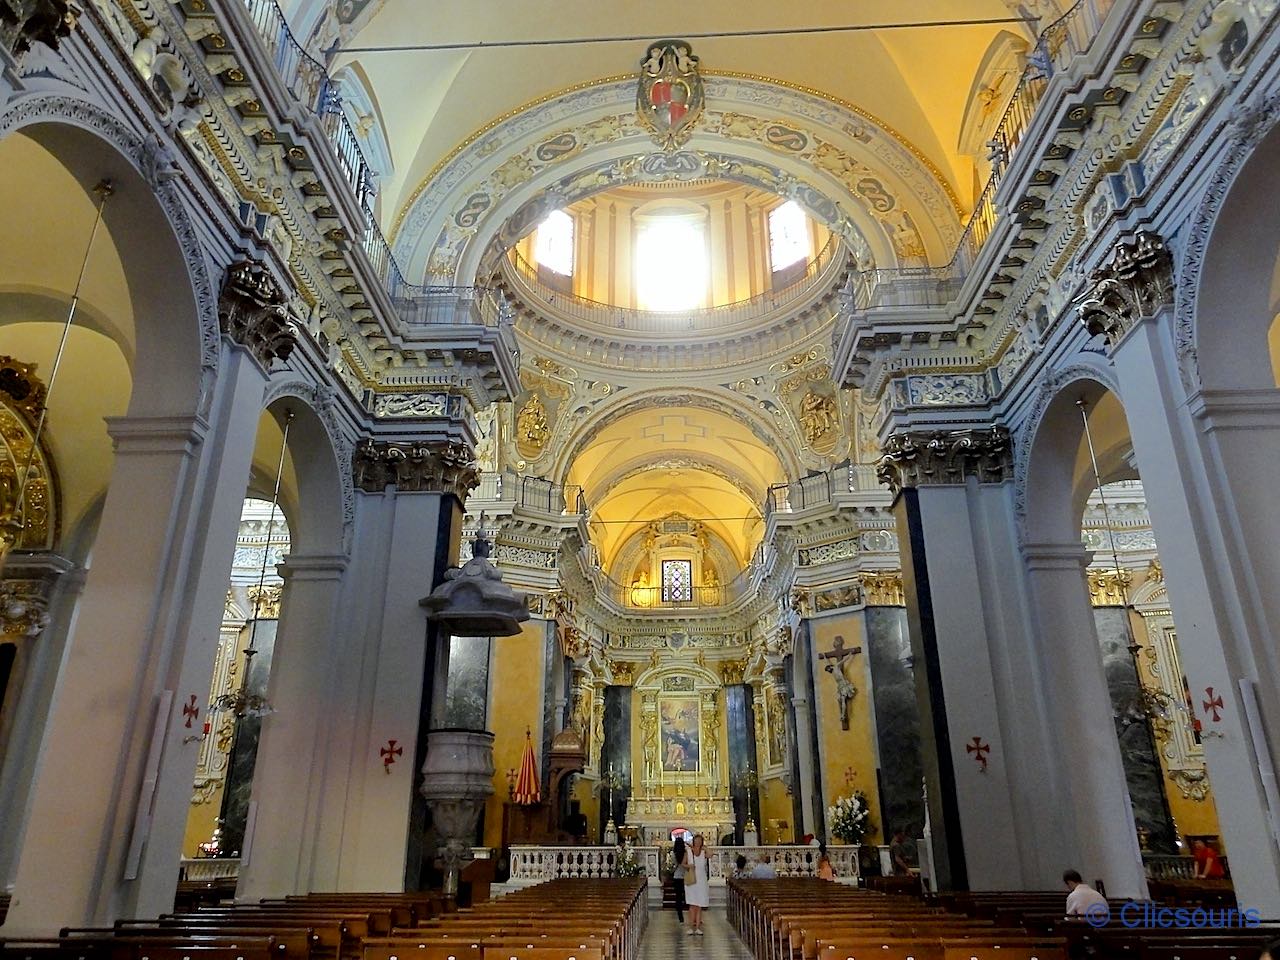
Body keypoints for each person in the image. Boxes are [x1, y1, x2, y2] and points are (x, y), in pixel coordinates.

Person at [685, 834, 711, 935]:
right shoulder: (689, 852)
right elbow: (682, 863)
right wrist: (689, 866)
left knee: (699, 905)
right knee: (692, 905)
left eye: (700, 840)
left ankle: (698, 928)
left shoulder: (704, 852)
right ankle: (691, 927)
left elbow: (711, 855)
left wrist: (706, 848)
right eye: (696, 840)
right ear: (694, 841)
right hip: (692, 879)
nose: (698, 842)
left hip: (701, 880)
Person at [671, 836, 689, 924]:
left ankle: (680, 917)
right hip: (685, 876)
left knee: (678, 897)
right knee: (687, 896)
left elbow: (672, 867)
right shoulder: (686, 853)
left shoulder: (673, 854)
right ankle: (691, 916)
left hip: (677, 877)